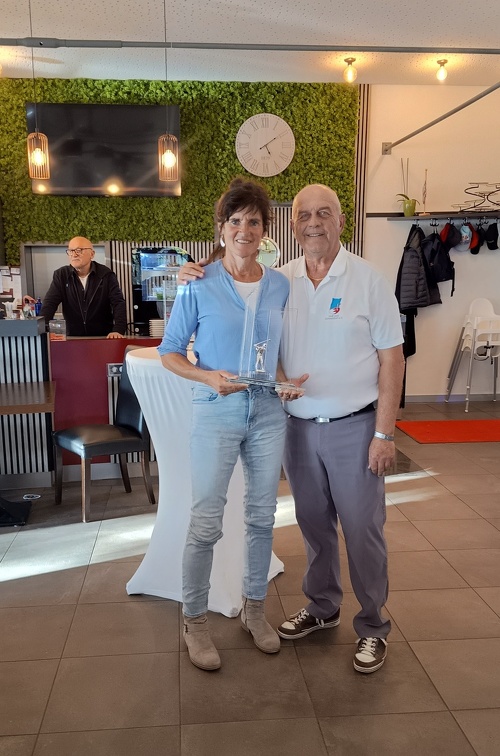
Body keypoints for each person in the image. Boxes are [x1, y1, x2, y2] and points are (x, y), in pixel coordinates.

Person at [178, 183, 405, 674]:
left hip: (354, 426)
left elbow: (393, 358)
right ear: (293, 225)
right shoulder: (281, 281)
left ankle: (372, 626)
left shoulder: (368, 279)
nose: (314, 223)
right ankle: (323, 607)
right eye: (304, 215)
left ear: (340, 221)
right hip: (296, 428)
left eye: (324, 213)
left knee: (362, 530)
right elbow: (248, 315)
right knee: (314, 526)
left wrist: (385, 433)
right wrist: (193, 270)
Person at [158, 178, 304, 672]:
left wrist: (285, 383)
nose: (245, 229)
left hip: (267, 413)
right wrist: (207, 377)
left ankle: (254, 611)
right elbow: (169, 352)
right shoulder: (197, 283)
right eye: (235, 220)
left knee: (262, 517)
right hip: (215, 409)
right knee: (206, 520)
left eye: (254, 221)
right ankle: (194, 621)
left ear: (265, 230)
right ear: (221, 228)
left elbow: (274, 353)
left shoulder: (279, 285)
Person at [40, 236, 127, 337]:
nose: (74, 254)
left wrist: (118, 330)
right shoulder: (61, 275)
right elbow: (50, 303)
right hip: (73, 337)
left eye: (79, 250)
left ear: (92, 254)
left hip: (103, 336)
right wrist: (42, 331)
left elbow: (118, 303)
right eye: (71, 251)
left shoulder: (106, 274)